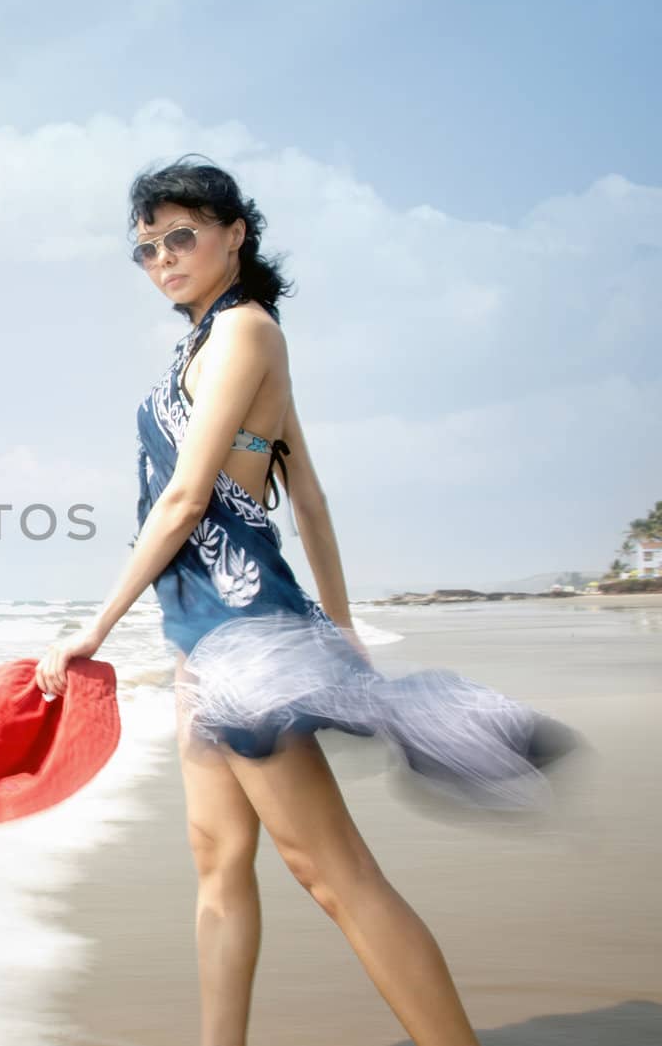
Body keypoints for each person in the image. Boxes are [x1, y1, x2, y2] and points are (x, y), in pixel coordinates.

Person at [32, 154, 575, 1046]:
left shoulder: (246, 331)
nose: (164, 258)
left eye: (182, 236)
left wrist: (91, 630)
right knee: (219, 863)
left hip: (244, 639)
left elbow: (186, 497)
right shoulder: (206, 343)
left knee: (334, 873)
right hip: (203, 639)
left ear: (234, 233)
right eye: (146, 248)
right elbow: (309, 496)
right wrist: (346, 623)